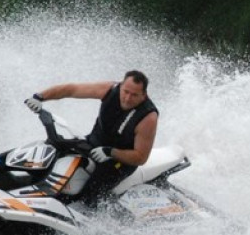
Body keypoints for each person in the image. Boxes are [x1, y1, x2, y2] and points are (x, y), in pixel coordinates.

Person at [24, 70, 158, 205]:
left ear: (144, 95)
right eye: (126, 92)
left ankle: (100, 219)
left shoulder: (148, 118)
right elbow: (71, 90)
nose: (128, 98)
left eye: (134, 95)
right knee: (57, 153)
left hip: (119, 161)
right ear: (121, 86)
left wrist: (110, 152)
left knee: (90, 196)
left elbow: (141, 157)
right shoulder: (109, 90)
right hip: (92, 144)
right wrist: (39, 97)